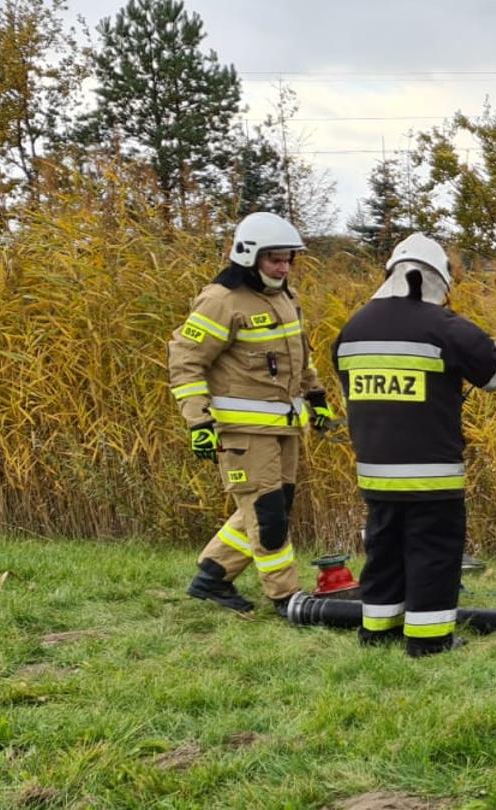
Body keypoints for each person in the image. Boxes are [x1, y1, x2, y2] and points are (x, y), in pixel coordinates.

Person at [333, 233, 496, 657]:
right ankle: (429, 640)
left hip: (375, 473)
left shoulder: (353, 327)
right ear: (434, 279)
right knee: (433, 552)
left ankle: (377, 631)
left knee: (383, 552)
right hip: (430, 474)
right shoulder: (441, 325)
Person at [169, 212, 333, 614]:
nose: (283, 267)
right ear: (249, 256)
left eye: (288, 259)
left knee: (270, 507)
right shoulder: (220, 301)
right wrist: (199, 422)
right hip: (242, 432)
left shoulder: (285, 297)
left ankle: (212, 576)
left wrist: (316, 397)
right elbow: (186, 362)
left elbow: (300, 356)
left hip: (285, 427)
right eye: (274, 259)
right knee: (266, 514)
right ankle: (285, 596)